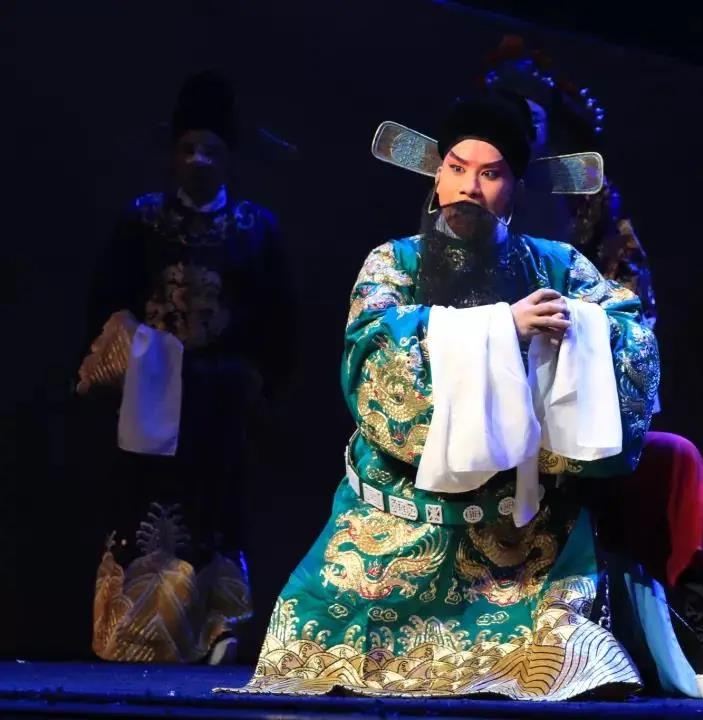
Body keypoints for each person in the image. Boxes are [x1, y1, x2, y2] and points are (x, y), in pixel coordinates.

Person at [219, 93, 664, 700]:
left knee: (570, 660)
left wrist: (577, 331)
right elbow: (373, 357)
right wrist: (503, 329)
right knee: (312, 651)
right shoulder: (393, 262)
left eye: (491, 174)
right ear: (436, 174)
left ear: (515, 186)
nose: (469, 188)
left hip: (524, 539)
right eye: (457, 168)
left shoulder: (557, 266)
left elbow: (632, 335)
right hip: (393, 524)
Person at [479, 35, 703, 701]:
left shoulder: (581, 209)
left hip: (569, 406)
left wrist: (579, 337)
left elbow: (627, 307)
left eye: (534, 115)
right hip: (481, 430)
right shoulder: (439, 236)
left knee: (673, 458)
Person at [77, 70, 297, 665]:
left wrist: (258, 385)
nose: (198, 160)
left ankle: (218, 627)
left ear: (229, 158)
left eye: (211, 150)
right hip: (148, 392)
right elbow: (105, 302)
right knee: (143, 509)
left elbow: (278, 318)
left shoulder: (255, 228)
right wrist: (123, 352)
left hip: (220, 397)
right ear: (173, 154)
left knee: (216, 513)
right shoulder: (142, 220)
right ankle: (134, 635)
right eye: (188, 149)